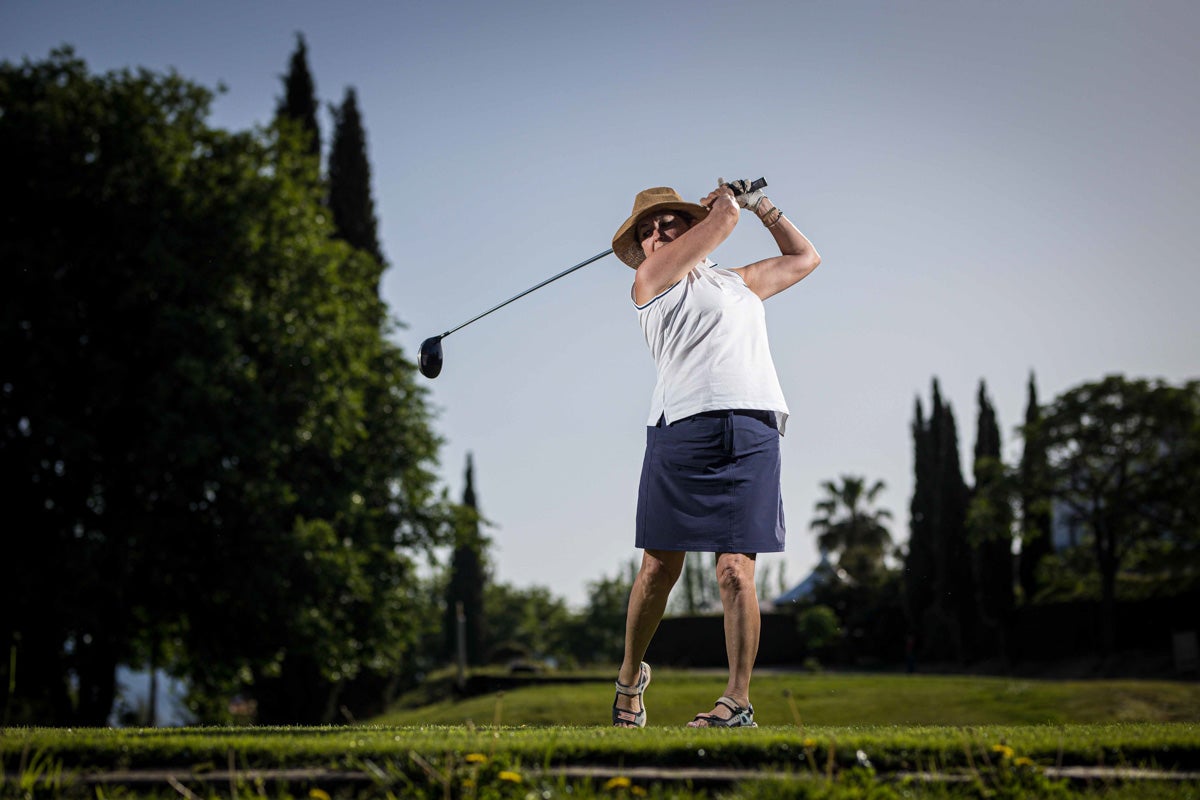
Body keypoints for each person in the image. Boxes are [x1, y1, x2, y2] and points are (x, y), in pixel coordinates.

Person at [609, 179, 820, 728]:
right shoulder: (649, 279)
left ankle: (737, 701)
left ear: (686, 223)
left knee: (735, 572)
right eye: (646, 230)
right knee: (659, 569)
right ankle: (629, 678)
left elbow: (803, 258)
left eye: (666, 222)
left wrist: (763, 206)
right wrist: (728, 204)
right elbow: (723, 223)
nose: (657, 233)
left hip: (752, 427)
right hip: (680, 427)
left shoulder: (737, 283)